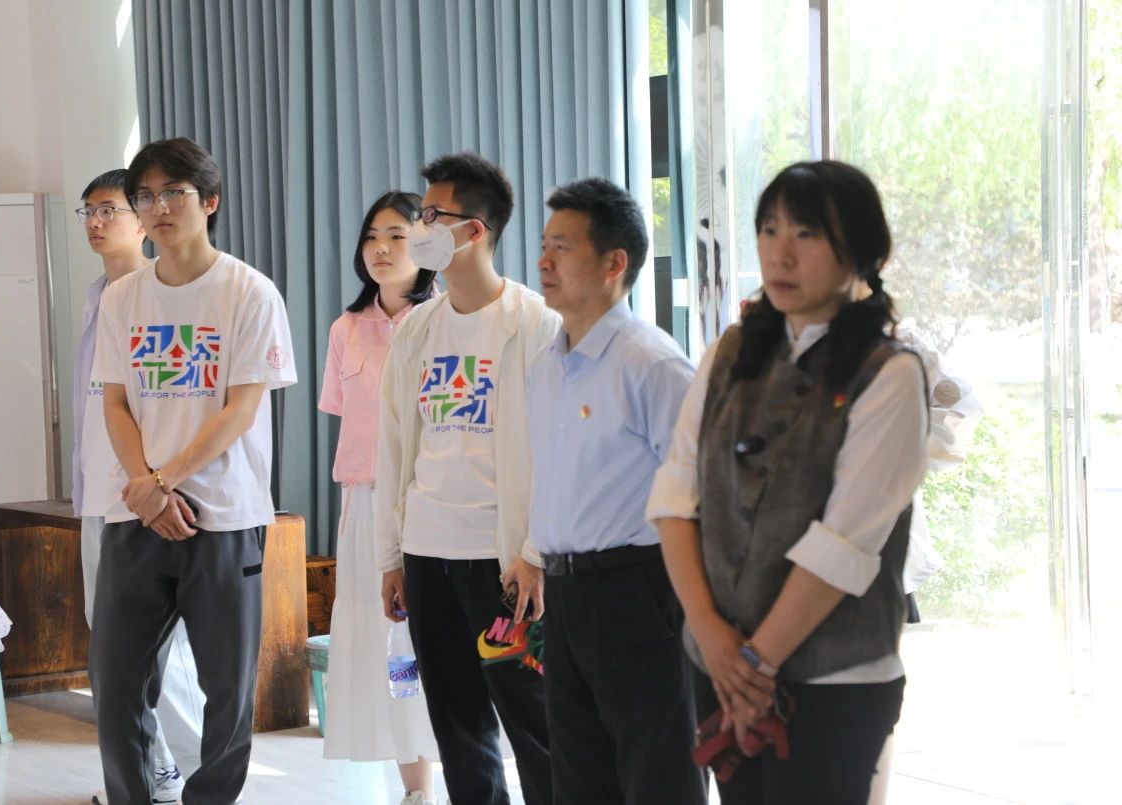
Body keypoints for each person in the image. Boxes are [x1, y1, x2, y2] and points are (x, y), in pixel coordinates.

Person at [647, 160, 929, 804]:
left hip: (834, 680)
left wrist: (751, 664)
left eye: (806, 234)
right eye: (769, 230)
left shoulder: (888, 372)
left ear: (862, 251)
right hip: (717, 664)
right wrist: (713, 639)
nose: (780, 252)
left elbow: (842, 546)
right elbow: (675, 496)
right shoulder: (730, 353)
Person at [89, 138, 296, 805]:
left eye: (173, 193)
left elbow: (241, 407)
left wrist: (163, 480)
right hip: (135, 517)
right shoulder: (123, 298)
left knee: (227, 691)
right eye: (145, 196)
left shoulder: (249, 292)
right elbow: (116, 403)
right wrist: (147, 489)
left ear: (209, 201)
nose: (158, 208)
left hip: (224, 518)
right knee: (116, 683)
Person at [375, 152, 559, 805]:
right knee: (457, 726)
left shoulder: (535, 324)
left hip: (502, 562)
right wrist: (391, 556)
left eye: (431, 215)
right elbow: (394, 444)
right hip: (428, 554)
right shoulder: (417, 329)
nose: (417, 227)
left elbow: (556, 453)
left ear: (474, 229)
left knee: (534, 721)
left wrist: (535, 554)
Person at [525, 178, 704, 805]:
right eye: (543, 246)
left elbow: (700, 498)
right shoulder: (545, 367)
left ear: (614, 263)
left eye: (562, 248)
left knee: (659, 772)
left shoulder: (652, 365)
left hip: (639, 592)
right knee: (578, 776)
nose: (544, 263)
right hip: (563, 593)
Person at [72, 169, 204, 805]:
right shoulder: (98, 296)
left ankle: (191, 772)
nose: (96, 223)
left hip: (147, 495)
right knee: (114, 649)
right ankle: (154, 771)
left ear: (144, 218)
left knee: (158, 652)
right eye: (88, 211)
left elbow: (176, 406)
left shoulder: (160, 296)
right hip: (100, 493)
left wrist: (155, 485)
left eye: (110, 209)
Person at [318, 191, 441, 805]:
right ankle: (416, 790)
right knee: (385, 643)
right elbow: (347, 417)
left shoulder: (446, 322)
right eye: (372, 236)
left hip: (432, 500)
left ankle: (457, 773)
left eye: (397, 235)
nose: (381, 248)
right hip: (365, 505)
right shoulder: (345, 330)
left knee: (433, 640)